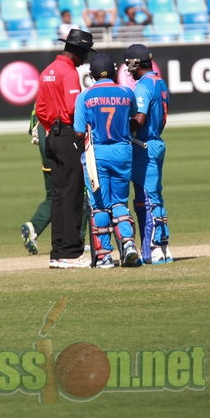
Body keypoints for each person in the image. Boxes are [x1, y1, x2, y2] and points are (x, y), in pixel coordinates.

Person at [73, 53, 140, 268]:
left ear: (91, 74)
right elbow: (134, 118)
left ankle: (104, 256)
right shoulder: (126, 92)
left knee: (100, 205)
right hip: (122, 151)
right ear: (113, 71)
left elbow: (77, 132)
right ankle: (128, 244)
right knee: (120, 202)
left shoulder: (84, 96)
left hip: (97, 153)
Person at [34, 28, 93, 269]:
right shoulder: (68, 73)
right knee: (72, 194)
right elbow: (72, 108)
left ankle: (58, 252)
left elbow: (40, 109)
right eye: (85, 53)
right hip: (68, 134)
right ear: (77, 51)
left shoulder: (48, 70)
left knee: (58, 195)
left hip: (52, 136)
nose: (86, 59)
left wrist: (51, 128)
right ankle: (71, 253)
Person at [20, 106, 89, 256]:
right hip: (63, 150)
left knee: (53, 196)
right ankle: (77, 239)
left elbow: (32, 129)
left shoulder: (39, 100)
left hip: (47, 155)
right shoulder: (62, 94)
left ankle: (34, 227)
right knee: (79, 195)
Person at [125, 43, 172, 265]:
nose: (128, 69)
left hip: (143, 144)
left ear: (137, 63)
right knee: (154, 195)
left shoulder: (143, 86)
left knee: (148, 198)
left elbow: (139, 120)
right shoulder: (160, 82)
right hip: (156, 142)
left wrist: (118, 125)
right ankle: (161, 247)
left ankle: (153, 249)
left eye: (129, 64)